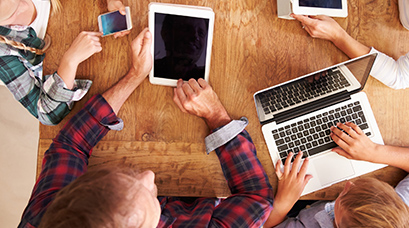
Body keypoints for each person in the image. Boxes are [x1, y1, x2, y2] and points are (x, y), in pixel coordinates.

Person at [18, 28, 273, 227]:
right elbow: (258, 199)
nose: (149, 174)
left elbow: (70, 145)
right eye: (150, 200)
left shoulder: (48, 217)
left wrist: (135, 76)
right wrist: (217, 117)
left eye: (125, 176)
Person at [0, 0, 127, 125]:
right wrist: (69, 61)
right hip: (56, 66)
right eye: (10, 15)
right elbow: (46, 114)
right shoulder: (3, 53)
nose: (23, 7)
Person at [263, 121, 409, 227]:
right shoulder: (398, 213)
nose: (348, 183)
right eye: (360, 184)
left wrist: (282, 204)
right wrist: (374, 151)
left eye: (343, 196)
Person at [154, 14, 208, 80]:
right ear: (166, 33)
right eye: (187, 29)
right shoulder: (150, 69)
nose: (195, 37)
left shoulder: (206, 78)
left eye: (201, 33)